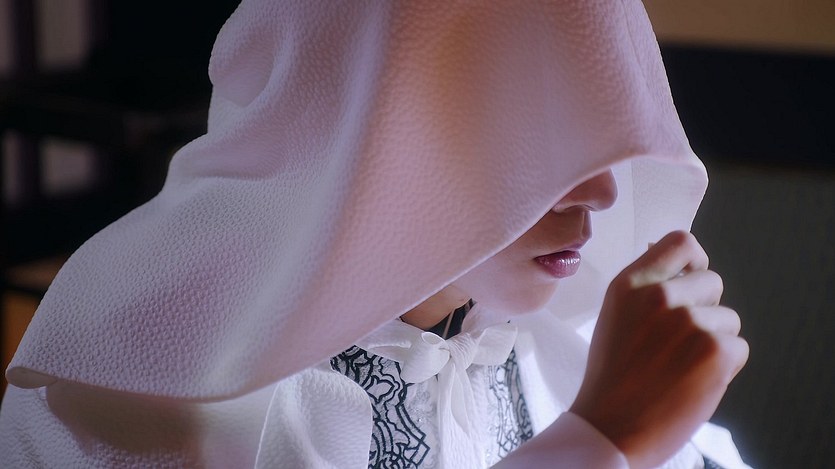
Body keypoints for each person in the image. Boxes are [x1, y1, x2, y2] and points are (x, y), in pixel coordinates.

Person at [0, 1, 751, 467]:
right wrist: (602, 438)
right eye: (529, 129)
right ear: (365, 124)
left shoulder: (564, 347)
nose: (601, 191)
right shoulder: (142, 390)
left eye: (600, 125)